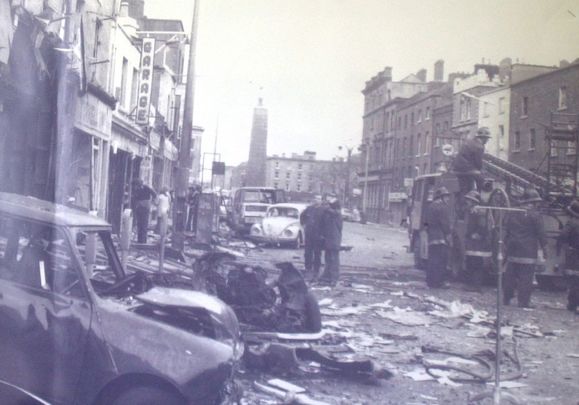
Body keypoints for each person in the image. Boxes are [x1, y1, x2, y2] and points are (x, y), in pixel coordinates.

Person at [504, 188, 547, 308]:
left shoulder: (513, 213)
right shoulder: (536, 215)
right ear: (532, 202)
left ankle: (506, 298)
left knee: (510, 276)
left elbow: (507, 229)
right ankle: (523, 302)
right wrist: (545, 249)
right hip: (528, 252)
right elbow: (541, 234)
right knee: (526, 278)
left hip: (513, 249)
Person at [463, 190, 491, 292]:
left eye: (469, 200)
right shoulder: (472, 210)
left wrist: (478, 234)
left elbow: (482, 225)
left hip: (477, 243)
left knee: (476, 264)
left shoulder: (479, 211)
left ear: (474, 201)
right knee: (471, 263)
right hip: (472, 243)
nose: (467, 202)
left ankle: (475, 285)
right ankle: (471, 285)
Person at [425, 186, 452, 288]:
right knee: (441, 260)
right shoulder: (442, 207)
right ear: (441, 197)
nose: (448, 199)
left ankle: (430, 281)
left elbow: (426, 223)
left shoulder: (430, 206)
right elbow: (445, 224)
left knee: (432, 259)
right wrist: (448, 236)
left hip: (432, 238)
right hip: (441, 238)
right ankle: (439, 282)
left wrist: (429, 232)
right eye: (446, 197)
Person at [556, 200, 579, 312]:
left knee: (575, 281)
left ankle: (573, 304)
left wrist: (561, 246)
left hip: (575, 254)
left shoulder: (572, 222)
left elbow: (563, 235)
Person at [453, 127, 491, 194]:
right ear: (484, 138)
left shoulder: (470, 141)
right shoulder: (479, 146)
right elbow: (478, 163)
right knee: (481, 176)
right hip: (466, 169)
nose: (487, 141)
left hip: (457, 168)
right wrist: (481, 171)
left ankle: (472, 193)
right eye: (487, 139)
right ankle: (481, 194)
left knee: (465, 188)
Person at [318, 197, 343, 287]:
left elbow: (328, 210)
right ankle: (327, 276)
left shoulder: (337, 214)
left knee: (334, 260)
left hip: (334, 239)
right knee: (328, 258)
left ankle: (334, 278)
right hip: (329, 239)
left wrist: (325, 204)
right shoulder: (331, 214)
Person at [300, 196, 325, 281]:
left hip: (318, 236)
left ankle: (316, 271)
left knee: (317, 254)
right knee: (307, 253)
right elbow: (302, 216)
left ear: (321, 201)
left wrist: (323, 234)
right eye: (315, 198)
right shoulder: (309, 209)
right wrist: (303, 225)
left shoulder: (324, 210)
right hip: (309, 234)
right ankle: (308, 269)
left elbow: (326, 223)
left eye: (318, 199)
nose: (316, 200)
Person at [131, 179, 156, 243]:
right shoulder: (136, 190)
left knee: (144, 224)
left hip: (145, 207)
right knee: (139, 224)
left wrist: (151, 203)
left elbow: (154, 194)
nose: (135, 187)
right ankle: (140, 240)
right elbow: (135, 198)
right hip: (139, 207)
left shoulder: (146, 188)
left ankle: (143, 241)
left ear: (138, 185)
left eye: (135, 186)